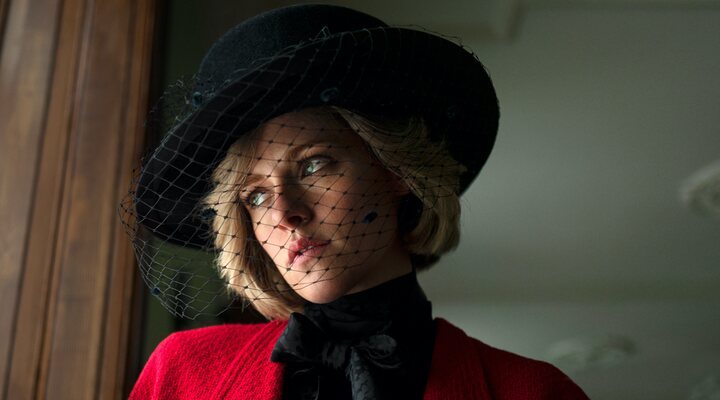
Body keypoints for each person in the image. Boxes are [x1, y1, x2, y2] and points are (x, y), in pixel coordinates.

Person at [124, 4, 590, 400]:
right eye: (256, 195)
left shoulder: (532, 390)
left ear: (395, 170)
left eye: (313, 165)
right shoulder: (182, 373)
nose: (285, 213)